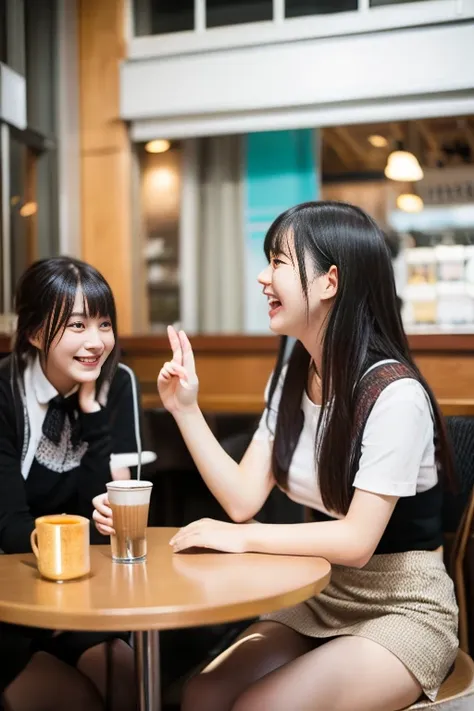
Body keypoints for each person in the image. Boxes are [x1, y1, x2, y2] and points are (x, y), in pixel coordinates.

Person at [94, 201, 459, 711]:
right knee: (202, 694)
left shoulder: (395, 394)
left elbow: (355, 541)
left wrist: (238, 539)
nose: (263, 278)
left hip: (403, 606)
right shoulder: (291, 379)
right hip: (322, 590)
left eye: (279, 262)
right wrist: (185, 409)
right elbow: (243, 498)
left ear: (330, 281)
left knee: (259, 708)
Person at [0, 257, 139, 711]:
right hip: (10, 600)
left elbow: (105, 520)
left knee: (127, 678)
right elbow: (11, 529)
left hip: (77, 590)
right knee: (77, 700)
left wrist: (92, 412)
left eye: (104, 324)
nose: (96, 342)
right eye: (77, 326)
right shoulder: (5, 392)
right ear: (37, 333)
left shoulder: (113, 383)